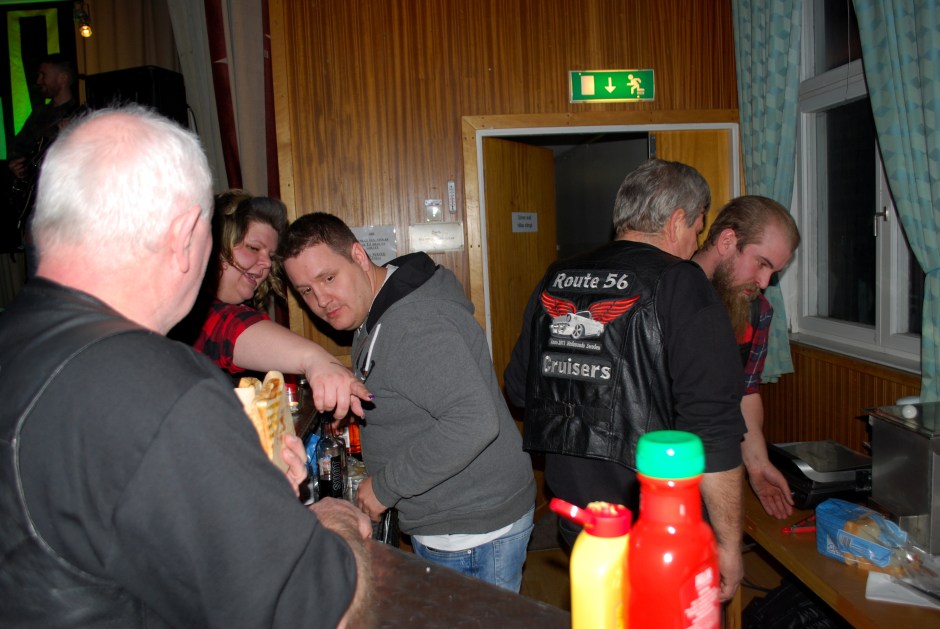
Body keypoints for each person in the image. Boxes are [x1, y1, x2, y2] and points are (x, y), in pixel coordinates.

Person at [0, 105, 373, 627]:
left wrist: (235, 479)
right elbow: (321, 605)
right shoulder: (169, 394)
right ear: (187, 235)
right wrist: (332, 521)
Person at [504, 158, 747, 601]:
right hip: (657, 527)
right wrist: (729, 545)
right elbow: (714, 429)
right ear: (676, 221)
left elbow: (520, 388)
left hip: (580, 523)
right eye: (697, 230)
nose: (695, 244)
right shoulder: (683, 283)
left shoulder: (557, 277)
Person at [280, 213, 537, 592]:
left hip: (470, 528)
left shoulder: (412, 324)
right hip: (460, 513)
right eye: (305, 291)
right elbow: (413, 379)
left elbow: (474, 421)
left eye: (328, 278)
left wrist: (384, 488)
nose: (320, 301)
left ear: (358, 256)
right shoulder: (382, 302)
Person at [171, 191, 371, 418]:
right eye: (253, 248)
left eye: (271, 255)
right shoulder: (187, 310)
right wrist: (315, 360)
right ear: (215, 245)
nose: (266, 263)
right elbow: (226, 326)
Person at [692, 195, 801, 520]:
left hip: (714, 468)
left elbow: (746, 390)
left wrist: (757, 464)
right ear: (728, 241)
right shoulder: (666, 295)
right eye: (762, 264)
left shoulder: (757, 311)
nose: (764, 283)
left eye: (773, 272)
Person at [5, 54, 82, 263]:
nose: (39, 81)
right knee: (36, 267)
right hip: (35, 204)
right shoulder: (39, 114)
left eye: (43, 75)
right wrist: (15, 163)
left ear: (62, 78)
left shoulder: (80, 114)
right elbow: (18, 145)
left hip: (65, 207)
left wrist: (68, 137)